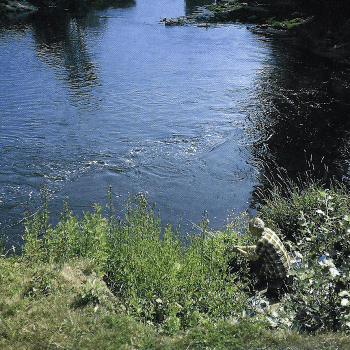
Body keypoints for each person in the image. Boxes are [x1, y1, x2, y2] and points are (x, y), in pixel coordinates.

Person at [232, 218, 291, 297]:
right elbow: (258, 248)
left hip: (279, 273)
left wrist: (239, 251)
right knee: (260, 257)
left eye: (250, 229)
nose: (249, 231)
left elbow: (253, 257)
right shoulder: (267, 231)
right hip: (285, 266)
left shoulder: (262, 241)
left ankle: (259, 283)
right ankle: (260, 279)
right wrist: (242, 247)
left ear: (255, 229)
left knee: (254, 261)